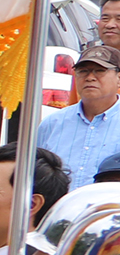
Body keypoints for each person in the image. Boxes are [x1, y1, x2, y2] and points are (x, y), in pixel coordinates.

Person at [37, 42, 120, 179]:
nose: (90, 77)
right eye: (83, 71)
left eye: (100, 70)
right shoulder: (52, 124)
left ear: (119, 78)